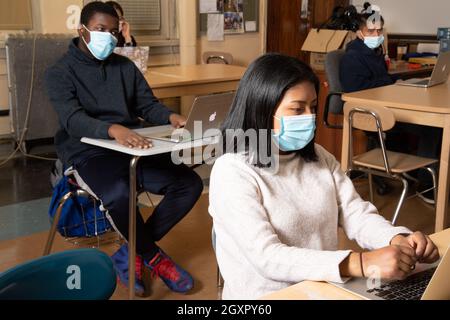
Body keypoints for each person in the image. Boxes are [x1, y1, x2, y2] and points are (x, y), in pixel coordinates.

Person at [208, 53, 440, 300]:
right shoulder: (231, 171)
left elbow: (355, 214)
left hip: (323, 288)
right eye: (298, 109)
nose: (309, 117)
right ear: (262, 109)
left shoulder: (319, 156)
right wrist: (359, 262)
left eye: (313, 107)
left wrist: (396, 238)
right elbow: (267, 257)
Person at [45, 1, 203, 296]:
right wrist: (111, 129)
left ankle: (131, 253)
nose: (109, 36)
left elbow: (147, 105)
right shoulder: (59, 72)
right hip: (87, 152)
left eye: (114, 31)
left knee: (188, 184)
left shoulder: (125, 67)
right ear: (82, 30)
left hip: (132, 147)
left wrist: (170, 116)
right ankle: (155, 257)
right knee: (120, 193)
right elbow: (72, 119)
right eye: (101, 29)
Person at [340, 6, 442, 203]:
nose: (376, 34)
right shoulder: (353, 57)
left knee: (429, 127)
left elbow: (382, 82)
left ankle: (420, 174)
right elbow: (356, 91)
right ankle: (425, 184)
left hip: (386, 107)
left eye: (379, 30)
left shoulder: (374, 52)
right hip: (372, 115)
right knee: (431, 129)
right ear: (360, 33)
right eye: (371, 31)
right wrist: (391, 84)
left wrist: (396, 85)